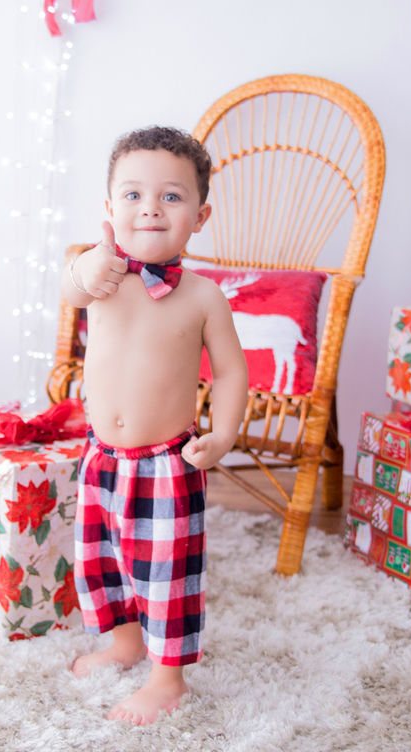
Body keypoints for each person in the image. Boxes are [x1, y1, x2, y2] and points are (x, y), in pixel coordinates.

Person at [61, 126, 248, 725]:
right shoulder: (100, 276)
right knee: (103, 560)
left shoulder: (201, 296)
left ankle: (168, 679)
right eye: (134, 194)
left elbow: (228, 373)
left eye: (172, 196)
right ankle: (123, 642)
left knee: (165, 574)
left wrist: (223, 435)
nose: (150, 207)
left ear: (200, 215)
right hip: (101, 458)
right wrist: (88, 271)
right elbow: (70, 288)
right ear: (110, 207)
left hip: (166, 463)